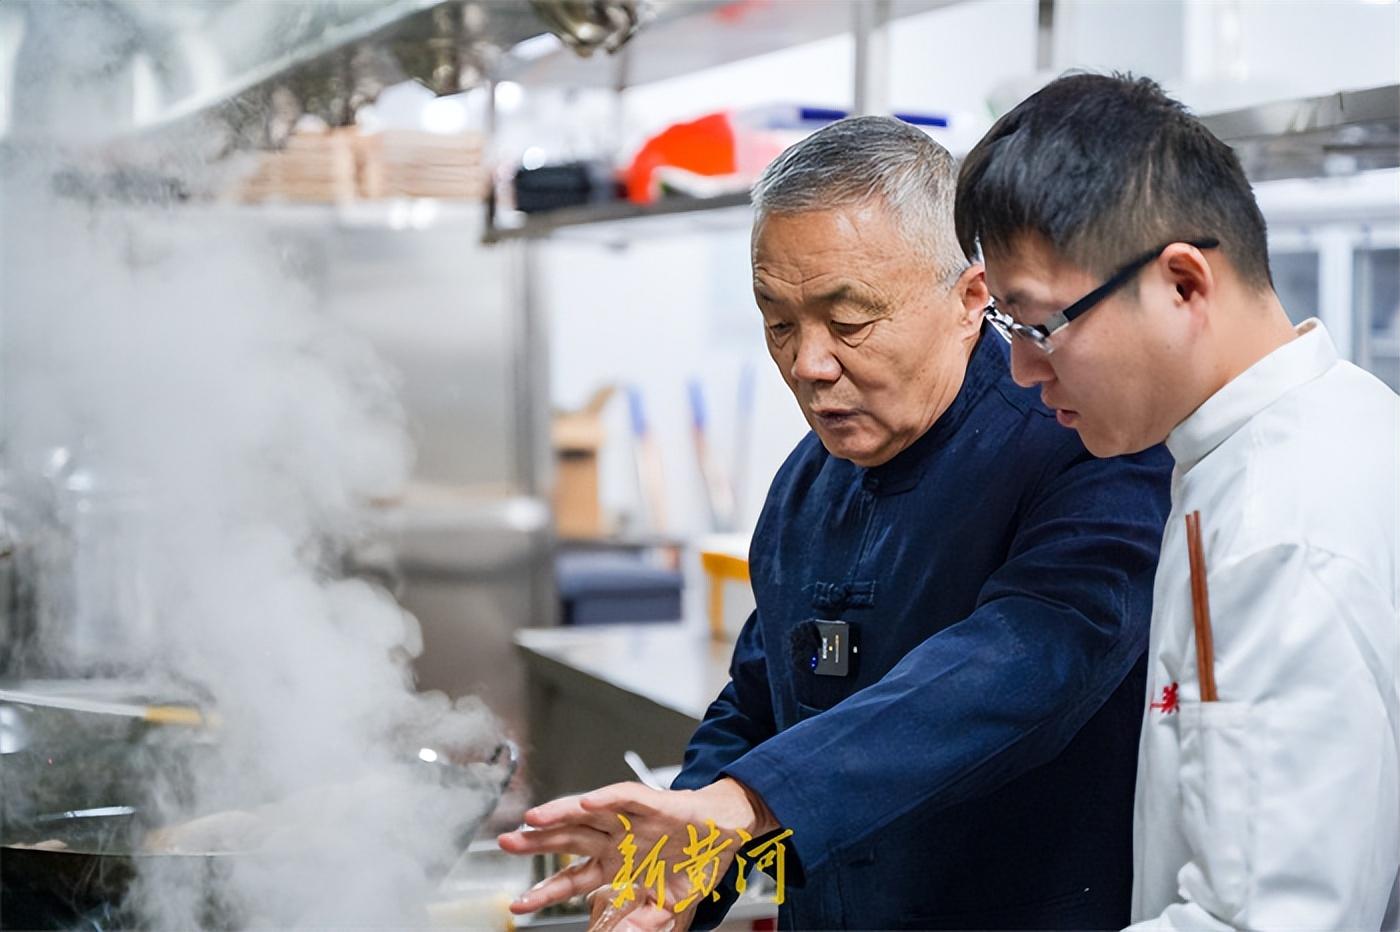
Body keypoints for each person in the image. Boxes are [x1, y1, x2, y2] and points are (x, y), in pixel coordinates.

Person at [500, 116, 1173, 930]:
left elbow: (1026, 662)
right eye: (779, 323)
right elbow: (758, 701)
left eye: (848, 322)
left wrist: (748, 803)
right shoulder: (807, 483)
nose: (808, 365)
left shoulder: (1079, 445)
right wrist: (675, 860)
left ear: (969, 299)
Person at [955, 72, 1400, 931]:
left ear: (1185, 284)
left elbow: (1264, 920)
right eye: (1010, 331)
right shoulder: (1284, 441)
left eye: (1041, 325)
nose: (1022, 370)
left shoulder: (1281, 529)